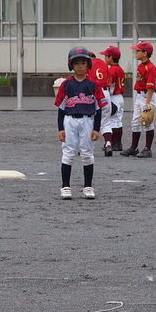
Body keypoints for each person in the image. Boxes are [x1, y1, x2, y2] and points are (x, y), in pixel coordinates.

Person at [55, 46, 106, 199]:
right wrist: (60, 128)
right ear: (71, 65)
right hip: (69, 120)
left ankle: (88, 187)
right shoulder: (66, 84)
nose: (80, 66)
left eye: (83, 63)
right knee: (68, 153)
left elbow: (98, 109)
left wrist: (96, 129)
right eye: (76, 63)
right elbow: (61, 109)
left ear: (88, 65)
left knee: (87, 154)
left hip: (87, 120)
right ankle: (65, 187)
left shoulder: (93, 84)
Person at [122, 41, 156, 158]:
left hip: (148, 96)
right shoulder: (140, 66)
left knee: (147, 122)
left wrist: (147, 103)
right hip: (139, 96)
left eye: (138, 51)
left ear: (145, 53)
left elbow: (151, 87)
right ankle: (134, 148)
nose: (135, 52)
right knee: (135, 122)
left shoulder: (150, 67)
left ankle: (148, 149)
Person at [98, 46, 126, 156]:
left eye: (106, 56)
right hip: (120, 97)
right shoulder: (120, 69)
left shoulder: (111, 70)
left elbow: (109, 84)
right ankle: (118, 144)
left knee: (112, 121)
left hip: (113, 96)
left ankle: (113, 143)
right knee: (118, 121)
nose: (105, 58)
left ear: (111, 57)